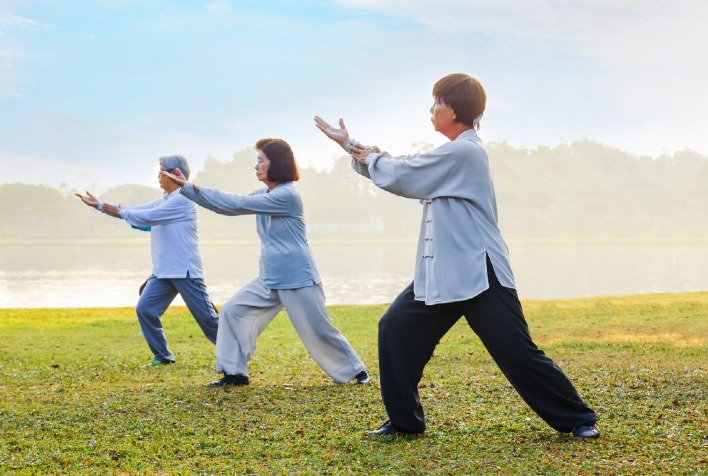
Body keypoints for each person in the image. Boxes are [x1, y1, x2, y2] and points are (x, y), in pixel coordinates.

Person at [313, 73, 600, 439]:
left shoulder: (465, 151)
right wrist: (353, 147)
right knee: (395, 329)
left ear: (456, 109)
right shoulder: (452, 154)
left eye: (438, 102)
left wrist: (354, 145)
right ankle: (404, 422)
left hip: (480, 271)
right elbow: (403, 173)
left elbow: (403, 172)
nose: (432, 109)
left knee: (517, 353)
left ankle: (578, 418)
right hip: (441, 272)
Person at [161, 138, 369, 386]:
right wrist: (189, 189)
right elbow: (228, 204)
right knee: (233, 311)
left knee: (318, 329)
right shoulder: (265, 193)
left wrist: (187, 187)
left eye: (261, 160)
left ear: (276, 163)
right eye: (256, 160)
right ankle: (234, 373)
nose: (256, 166)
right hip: (269, 278)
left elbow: (236, 205)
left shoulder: (287, 196)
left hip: (297, 277)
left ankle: (356, 372)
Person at [76, 155, 219, 367]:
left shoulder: (184, 199)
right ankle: (162, 356)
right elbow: (137, 210)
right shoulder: (166, 199)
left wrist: (107, 209)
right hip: (163, 272)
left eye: (162, 171)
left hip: (185, 271)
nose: (158, 176)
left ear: (175, 173)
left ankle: (236, 350)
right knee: (146, 309)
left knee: (208, 321)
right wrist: (100, 206)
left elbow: (145, 217)